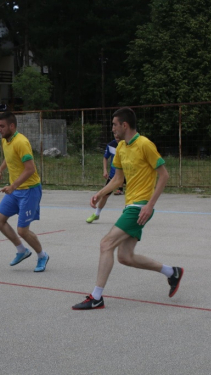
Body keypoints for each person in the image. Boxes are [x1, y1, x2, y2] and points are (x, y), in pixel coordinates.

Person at [72, 107, 183, 310]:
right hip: (130, 206)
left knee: (106, 244)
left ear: (124, 125)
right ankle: (172, 272)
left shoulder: (145, 144)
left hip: (140, 207)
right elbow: (118, 179)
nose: (112, 129)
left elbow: (164, 175)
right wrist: (100, 193)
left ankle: (96, 297)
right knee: (125, 257)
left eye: (114, 125)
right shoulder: (121, 147)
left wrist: (150, 205)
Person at [0, 112, 50, 272]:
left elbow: (30, 169)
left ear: (12, 126)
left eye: (2, 126)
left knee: (22, 230)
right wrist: (0, 170)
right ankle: (21, 250)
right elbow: (9, 158)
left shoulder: (21, 142)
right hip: (16, 190)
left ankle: (42, 255)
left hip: (29, 190)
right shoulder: (6, 140)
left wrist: (13, 186)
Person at [86, 134, 123, 223]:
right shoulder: (111, 145)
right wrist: (105, 170)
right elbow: (105, 157)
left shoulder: (129, 145)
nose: (116, 136)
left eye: (118, 133)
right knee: (105, 195)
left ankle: (136, 215)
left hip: (129, 175)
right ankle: (97, 214)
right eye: (114, 133)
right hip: (115, 175)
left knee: (134, 195)